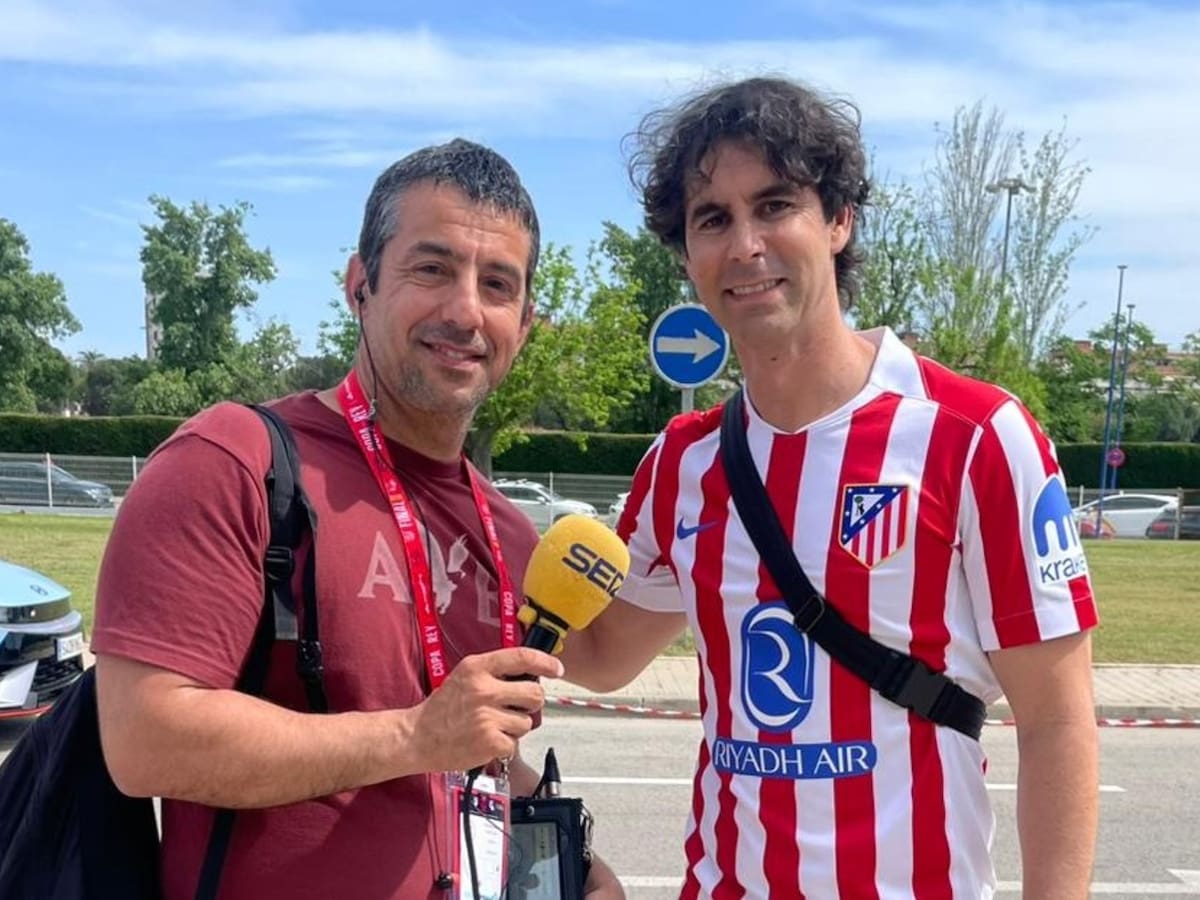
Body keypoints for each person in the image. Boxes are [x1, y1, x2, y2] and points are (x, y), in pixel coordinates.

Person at [560, 78, 1099, 899]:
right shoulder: (683, 462)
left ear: (839, 220)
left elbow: (1058, 724)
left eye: (774, 206)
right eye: (713, 219)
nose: (745, 245)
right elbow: (598, 659)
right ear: (686, 256)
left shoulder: (975, 435)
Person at [93, 139, 623, 900]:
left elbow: (470, 740)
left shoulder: (506, 533)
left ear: (526, 321)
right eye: (432, 268)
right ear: (360, 284)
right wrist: (414, 736)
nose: (466, 310)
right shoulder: (236, 462)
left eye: (497, 284)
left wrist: (575, 862)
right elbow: (145, 739)